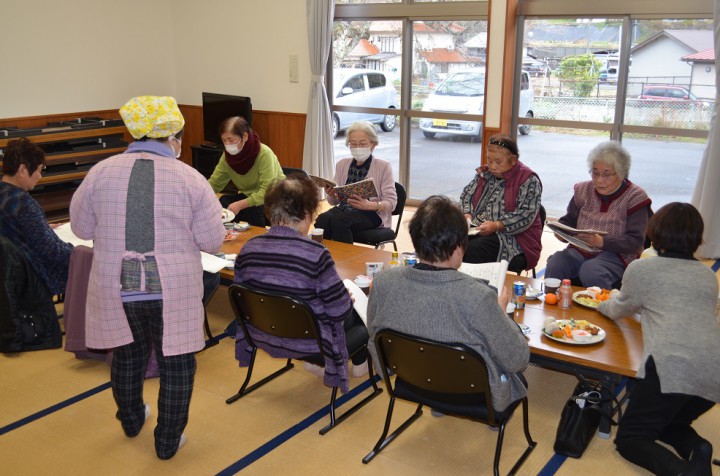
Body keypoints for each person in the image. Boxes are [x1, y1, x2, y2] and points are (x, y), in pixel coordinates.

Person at [69, 96, 226, 460]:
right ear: (173, 135)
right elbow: (211, 240)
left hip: (117, 284)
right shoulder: (190, 178)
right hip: (171, 286)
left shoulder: (101, 172)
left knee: (127, 353)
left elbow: (80, 226)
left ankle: (131, 419)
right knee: (177, 362)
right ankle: (168, 441)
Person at [367, 195, 530, 413]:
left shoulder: (383, 281)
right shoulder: (478, 296)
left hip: (411, 380)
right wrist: (501, 314)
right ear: (458, 248)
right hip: (472, 394)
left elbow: (374, 335)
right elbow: (517, 359)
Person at [598, 202, 719, 476]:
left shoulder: (643, 269)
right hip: (714, 371)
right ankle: (697, 448)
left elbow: (618, 310)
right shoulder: (707, 276)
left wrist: (601, 302)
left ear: (656, 232)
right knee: (668, 423)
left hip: (670, 367)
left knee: (631, 439)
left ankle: (683, 473)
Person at [233, 173, 369, 393]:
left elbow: (240, 295)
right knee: (360, 309)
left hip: (262, 331)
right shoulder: (315, 253)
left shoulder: (249, 247)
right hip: (309, 341)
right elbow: (337, 312)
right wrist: (345, 299)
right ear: (306, 214)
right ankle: (357, 362)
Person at [545, 141, 652, 289]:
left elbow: (635, 242)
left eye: (607, 174)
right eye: (595, 173)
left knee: (592, 270)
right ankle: (551, 304)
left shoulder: (635, 197)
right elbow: (569, 220)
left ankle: (603, 309)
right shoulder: (583, 190)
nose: (599, 179)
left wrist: (602, 242)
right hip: (580, 250)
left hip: (617, 255)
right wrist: (562, 232)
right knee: (557, 262)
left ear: (621, 173)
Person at [459, 133, 543, 272]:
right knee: (448, 241)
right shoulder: (484, 174)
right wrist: (466, 213)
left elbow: (525, 214)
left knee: (472, 250)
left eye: (498, 162)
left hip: (513, 237)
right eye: (489, 160)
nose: (492, 166)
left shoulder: (528, 180)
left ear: (513, 160)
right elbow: (467, 194)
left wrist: (498, 225)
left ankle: (476, 289)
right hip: (478, 229)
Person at [0, 137, 74, 296]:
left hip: (12, 277)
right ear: (22, 170)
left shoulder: (5, 195)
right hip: (37, 277)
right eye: (39, 170)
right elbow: (51, 250)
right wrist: (77, 252)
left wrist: (42, 226)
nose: (40, 175)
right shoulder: (23, 204)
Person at [314, 120, 397, 244]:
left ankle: (345, 260)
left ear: (373, 144)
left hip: (371, 213)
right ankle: (325, 257)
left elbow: (391, 203)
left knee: (340, 221)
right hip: (344, 210)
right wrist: (331, 194)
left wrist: (371, 205)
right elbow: (333, 202)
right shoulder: (342, 164)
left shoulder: (383, 166)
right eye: (353, 144)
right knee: (322, 220)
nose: (357, 147)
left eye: (362, 144)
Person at [207, 116, 285, 227]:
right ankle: (232, 235)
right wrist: (198, 194)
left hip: (274, 199)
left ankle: (258, 238)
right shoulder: (227, 157)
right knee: (224, 201)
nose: (227, 145)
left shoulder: (264, 154)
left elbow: (267, 192)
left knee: (253, 208)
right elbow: (215, 183)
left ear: (244, 136)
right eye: (224, 140)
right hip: (250, 197)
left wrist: (240, 204)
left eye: (231, 140)